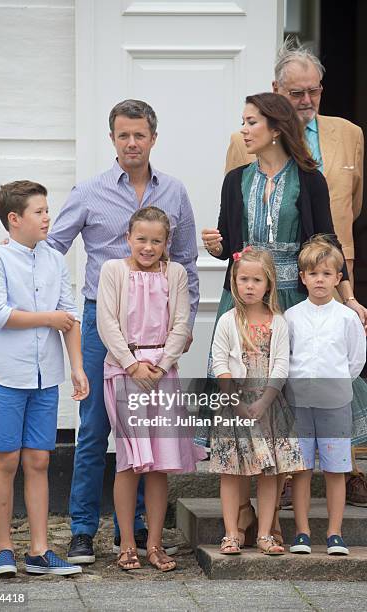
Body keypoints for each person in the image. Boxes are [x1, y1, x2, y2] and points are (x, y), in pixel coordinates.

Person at [46, 100, 199, 563]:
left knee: (148, 434)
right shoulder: (90, 191)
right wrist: (64, 309)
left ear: (153, 137)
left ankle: (132, 533)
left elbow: (188, 259)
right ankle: (82, 531)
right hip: (101, 325)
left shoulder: (173, 191)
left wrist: (185, 325)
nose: (132, 143)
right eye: (123, 135)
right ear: (112, 139)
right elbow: (54, 247)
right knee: (95, 429)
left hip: (157, 334)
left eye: (140, 135)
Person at [201, 91, 355, 546]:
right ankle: (244, 512)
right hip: (244, 302)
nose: (244, 130)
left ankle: (274, 520)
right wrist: (216, 245)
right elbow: (228, 238)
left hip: (292, 300)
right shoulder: (235, 180)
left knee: (285, 405)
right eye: (243, 121)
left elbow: (327, 242)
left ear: (275, 127)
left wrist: (349, 297)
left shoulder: (309, 180)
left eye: (251, 122)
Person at [224, 37, 367, 508]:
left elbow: (345, 215)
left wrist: (345, 293)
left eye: (314, 91)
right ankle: (261, 491)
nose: (306, 101)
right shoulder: (240, 152)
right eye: (296, 92)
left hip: (319, 280)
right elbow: (235, 224)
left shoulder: (348, 136)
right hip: (254, 290)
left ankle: (337, 469)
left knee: (319, 372)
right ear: (277, 93)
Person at [0, 181, 89, 577]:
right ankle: (3, 548)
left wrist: (76, 367)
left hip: (47, 376)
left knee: (39, 460)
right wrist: (47, 319)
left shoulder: (55, 259)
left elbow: (69, 316)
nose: (48, 217)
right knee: (6, 459)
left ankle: (40, 550)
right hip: (9, 375)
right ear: (15, 219)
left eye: (47, 210)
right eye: (40, 211)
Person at [96, 206, 205, 571]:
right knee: (131, 460)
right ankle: (127, 542)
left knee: (160, 463)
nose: (148, 247)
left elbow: (180, 321)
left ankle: (155, 543)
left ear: (166, 243)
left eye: (156, 240)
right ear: (128, 238)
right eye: (141, 239)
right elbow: (106, 321)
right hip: (126, 371)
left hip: (162, 372)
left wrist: (160, 365)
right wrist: (131, 363)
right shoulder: (113, 271)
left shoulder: (173, 273)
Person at [210, 247, 304, 556]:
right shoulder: (227, 321)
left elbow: (280, 365)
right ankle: (231, 533)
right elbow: (218, 362)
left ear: (269, 284)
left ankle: (264, 533)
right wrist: (235, 401)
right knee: (232, 470)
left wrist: (264, 402)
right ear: (234, 281)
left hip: (269, 406)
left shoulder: (278, 322)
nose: (249, 286)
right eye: (243, 279)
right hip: (234, 406)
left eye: (256, 280)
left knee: (270, 471)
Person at [286, 236, 366, 556]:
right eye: (313, 274)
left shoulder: (347, 318)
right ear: (303, 278)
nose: (320, 280)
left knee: (336, 469)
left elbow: (356, 359)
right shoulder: (291, 316)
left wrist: (335, 383)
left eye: (327, 274)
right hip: (299, 403)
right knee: (302, 469)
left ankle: (335, 533)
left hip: (335, 403)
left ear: (337, 278)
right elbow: (286, 356)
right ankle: (302, 532)